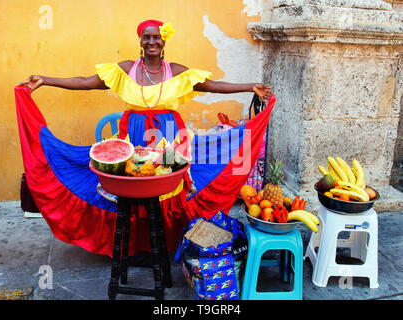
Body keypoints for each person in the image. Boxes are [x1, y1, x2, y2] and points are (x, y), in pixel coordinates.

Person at [16, 19, 274, 257]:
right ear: (140, 40)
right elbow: (86, 82)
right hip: (132, 138)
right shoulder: (125, 69)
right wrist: (46, 80)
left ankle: (164, 243)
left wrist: (250, 86)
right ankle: (132, 243)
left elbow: (213, 85)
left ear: (164, 41)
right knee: (132, 188)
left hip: (170, 138)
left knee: (168, 189)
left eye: (157, 37)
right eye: (147, 37)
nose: (152, 41)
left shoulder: (176, 71)